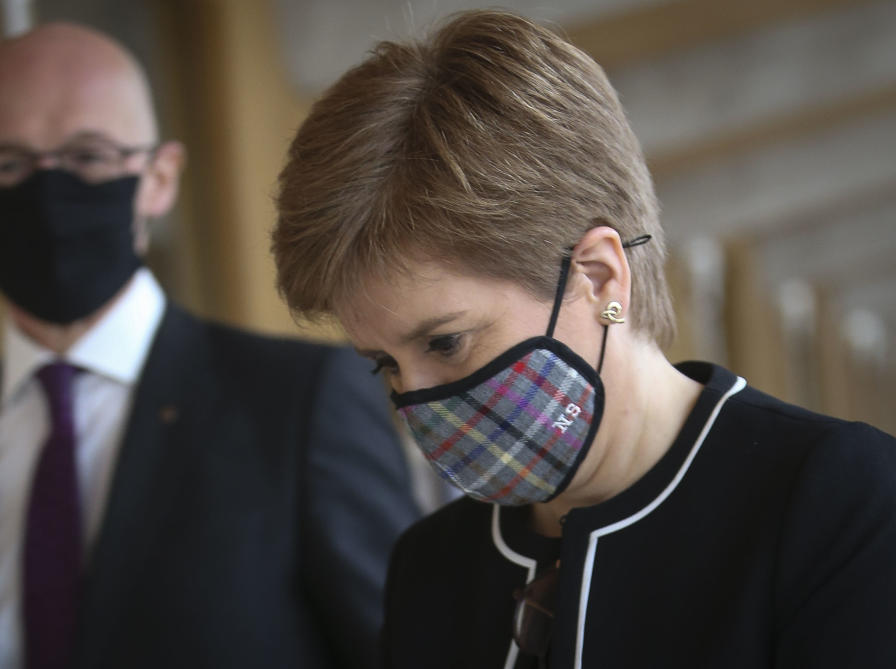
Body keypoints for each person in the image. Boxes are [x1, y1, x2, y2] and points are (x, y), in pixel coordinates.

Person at [272, 10, 896, 669]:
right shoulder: (430, 566)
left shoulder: (836, 502)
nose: (414, 403)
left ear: (598, 276)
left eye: (448, 341)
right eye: (384, 365)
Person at [0, 22, 420, 669]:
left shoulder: (297, 405)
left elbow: (404, 650)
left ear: (160, 178)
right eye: (9, 164)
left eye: (88, 156)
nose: (47, 190)